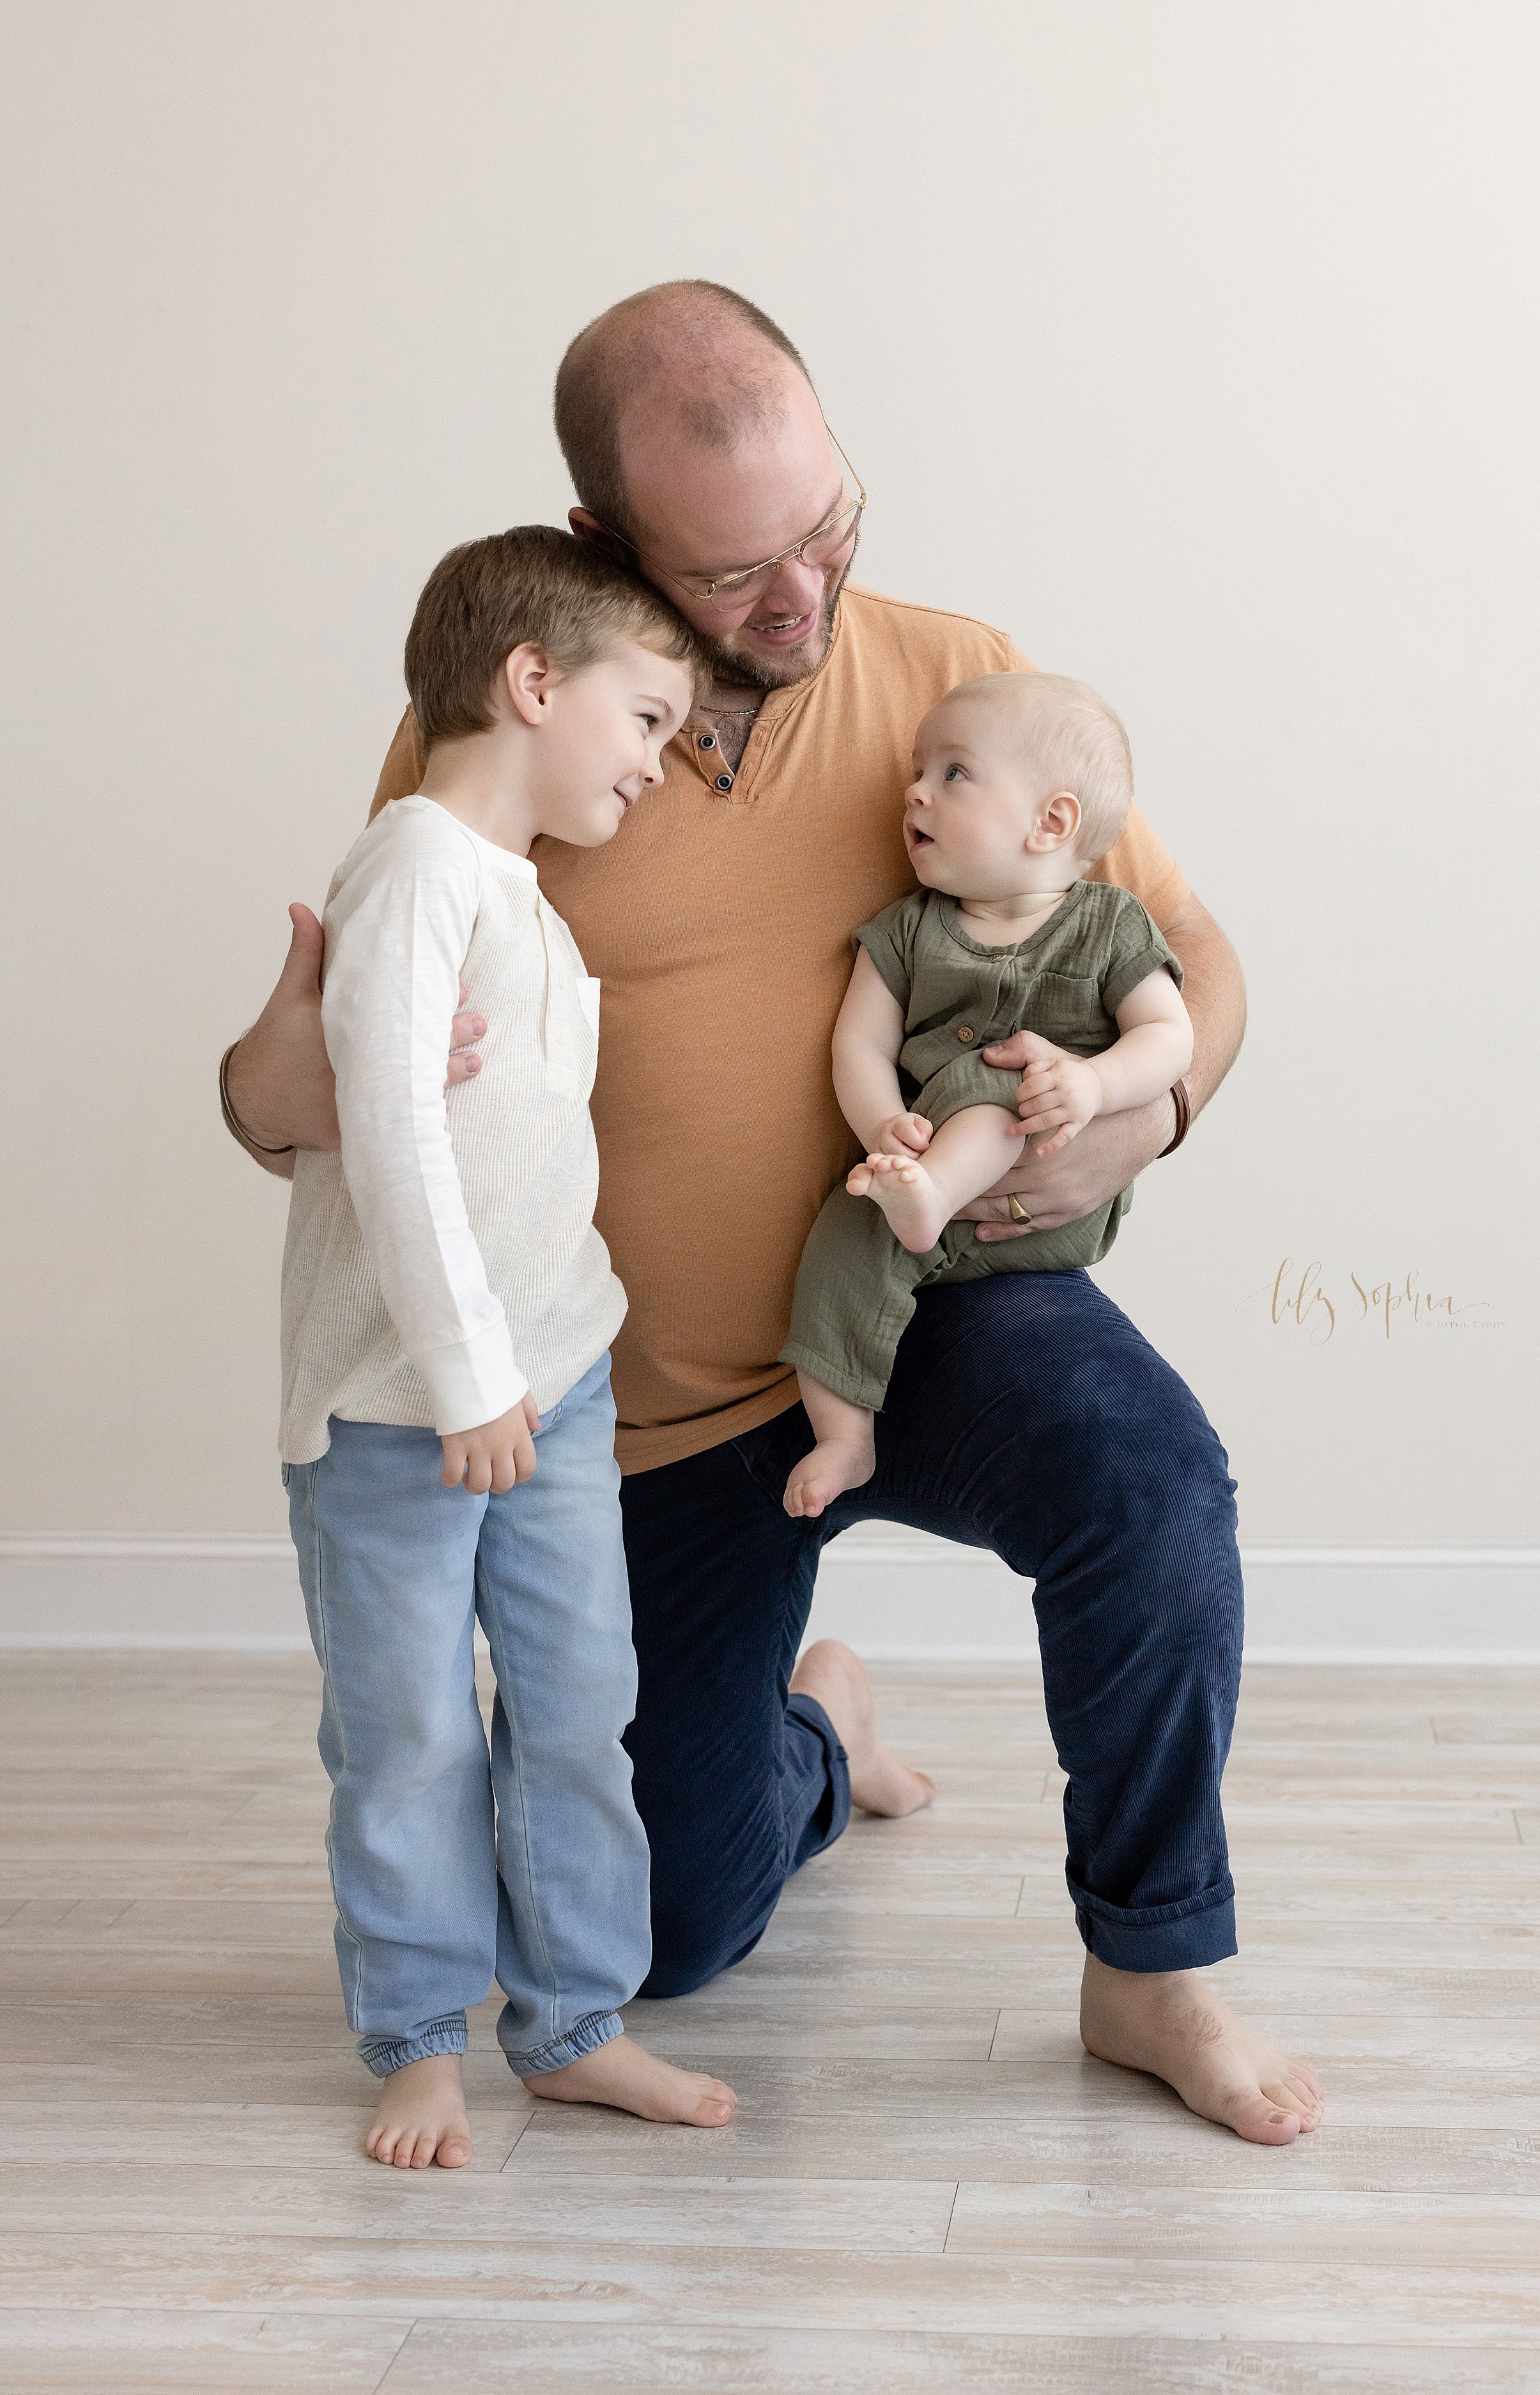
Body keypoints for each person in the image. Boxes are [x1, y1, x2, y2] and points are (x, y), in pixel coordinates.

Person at [225, 281, 1325, 2146]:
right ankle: (819, 1731)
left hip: (930, 1294)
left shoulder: (955, 678)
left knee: (1148, 1479)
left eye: (829, 530)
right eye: (735, 578)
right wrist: (275, 1080)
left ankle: (1150, 1962)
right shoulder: (511, 742)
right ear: (600, 548)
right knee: (656, 1931)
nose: (801, 601)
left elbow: (1191, 957)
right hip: (643, 1406)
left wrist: (1145, 1119)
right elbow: (309, 1089)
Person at [274, 524, 736, 2169]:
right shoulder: (408, 868)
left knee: (577, 1696)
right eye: (644, 717)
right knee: (409, 1725)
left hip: (554, 1379)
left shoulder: (519, 896)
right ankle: (417, 2033)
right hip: (409, 1404)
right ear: (532, 682)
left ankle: (574, 2017)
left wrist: (535, 1362)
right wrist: (471, 1373)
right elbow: (388, 1132)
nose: (660, 759)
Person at [781, 671, 1192, 1518]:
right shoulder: (906, 930)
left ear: (1053, 822)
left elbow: (1170, 1037)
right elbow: (859, 1044)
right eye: (918, 771)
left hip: (1049, 1199)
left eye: (953, 773)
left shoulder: (1109, 925)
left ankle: (928, 1199)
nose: (916, 790)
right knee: (840, 1239)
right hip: (921, 1187)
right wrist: (882, 1127)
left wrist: (1089, 1082)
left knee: (1008, 1070)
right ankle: (845, 1436)